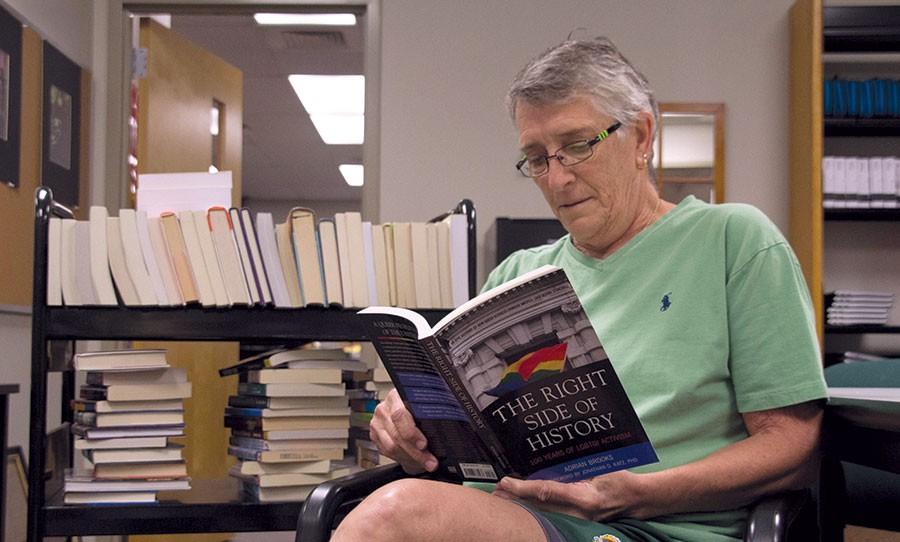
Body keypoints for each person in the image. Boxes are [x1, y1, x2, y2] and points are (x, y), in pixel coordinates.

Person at [331, 37, 827, 542]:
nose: (557, 178)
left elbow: (792, 447)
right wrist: (410, 424)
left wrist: (637, 493)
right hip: (518, 513)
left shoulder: (733, 241)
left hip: (652, 527)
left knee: (397, 515)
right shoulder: (518, 274)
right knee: (394, 508)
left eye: (576, 145)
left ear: (640, 136)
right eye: (536, 158)